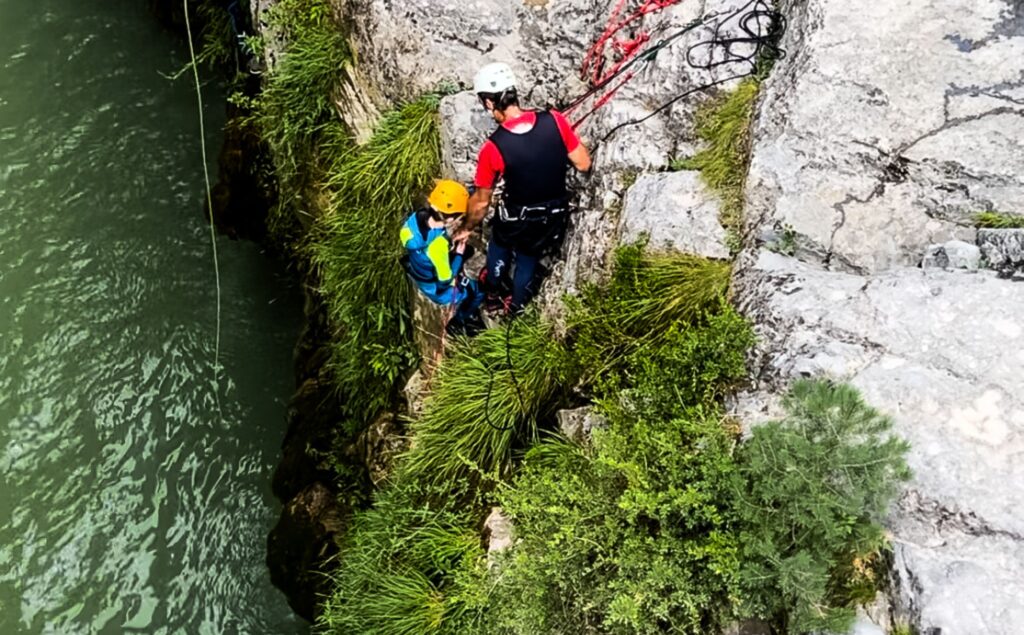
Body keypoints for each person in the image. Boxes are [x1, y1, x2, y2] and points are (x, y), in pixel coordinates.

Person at [458, 62, 592, 316]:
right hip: (552, 216)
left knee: (499, 244)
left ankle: (494, 294)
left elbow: (481, 202)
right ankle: (517, 307)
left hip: (516, 219)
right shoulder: (555, 120)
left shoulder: (494, 148)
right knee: (528, 259)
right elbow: (583, 163)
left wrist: (466, 228)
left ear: (489, 102)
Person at [400, 180, 484, 333]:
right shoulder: (437, 247)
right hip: (438, 289)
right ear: (450, 218)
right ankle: (459, 322)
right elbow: (445, 278)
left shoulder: (416, 218)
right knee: (479, 291)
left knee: (466, 254)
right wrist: (458, 254)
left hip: (422, 269)